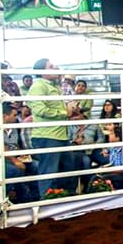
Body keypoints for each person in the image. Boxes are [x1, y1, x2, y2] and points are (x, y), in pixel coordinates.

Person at [27, 58, 78, 198]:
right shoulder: (38, 86)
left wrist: (69, 109)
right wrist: (64, 112)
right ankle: (47, 200)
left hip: (60, 134)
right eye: (51, 66)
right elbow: (40, 110)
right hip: (47, 135)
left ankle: (64, 196)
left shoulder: (53, 86)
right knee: (49, 170)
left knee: (68, 166)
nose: (55, 68)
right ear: (42, 71)